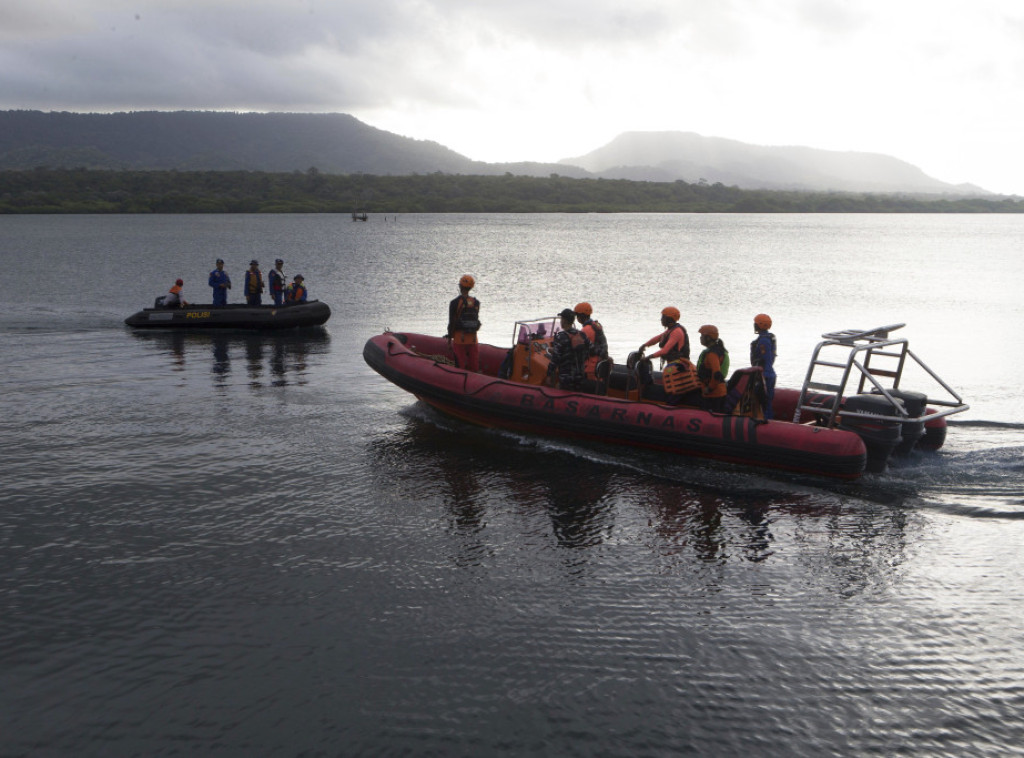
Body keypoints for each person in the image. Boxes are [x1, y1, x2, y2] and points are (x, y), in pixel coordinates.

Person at [638, 307, 699, 404]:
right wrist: (645, 345)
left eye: (663, 317)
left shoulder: (677, 332)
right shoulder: (670, 330)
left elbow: (665, 350)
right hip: (674, 363)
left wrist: (649, 357)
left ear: (669, 318)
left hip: (679, 365)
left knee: (674, 392)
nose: (661, 319)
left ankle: (671, 406)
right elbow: (658, 338)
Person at [546, 308, 592, 390]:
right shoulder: (582, 335)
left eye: (561, 319)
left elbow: (555, 358)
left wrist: (549, 374)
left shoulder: (560, 337)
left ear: (564, 320)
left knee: (556, 388)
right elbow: (591, 349)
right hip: (580, 377)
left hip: (566, 378)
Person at [446, 274, 481, 372]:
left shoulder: (454, 303)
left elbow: (451, 322)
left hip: (459, 339)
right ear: (471, 287)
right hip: (473, 339)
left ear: (460, 286)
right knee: (474, 367)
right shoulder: (476, 303)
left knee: (460, 368)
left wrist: (449, 339)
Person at [696, 324, 730, 412]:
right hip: (718, 392)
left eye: (702, 336)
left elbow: (716, 373)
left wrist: (709, 388)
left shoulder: (712, 354)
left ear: (708, 338)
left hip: (713, 394)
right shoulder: (720, 350)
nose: (700, 338)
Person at [751, 313, 777, 419]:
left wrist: (760, 373)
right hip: (768, 373)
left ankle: (766, 420)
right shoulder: (770, 338)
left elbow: (765, 358)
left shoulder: (763, 341)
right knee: (766, 401)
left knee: (764, 402)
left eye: (755, 323)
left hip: (764, 375)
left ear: (760, 325)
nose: (754, 325)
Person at [573, 302, 609, 380]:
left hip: (590, 367)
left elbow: (575, 347)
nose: (577, 318)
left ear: (581, 316)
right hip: (599, 363)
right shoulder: (596, 325)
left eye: (577, 315)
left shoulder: (585, 330)